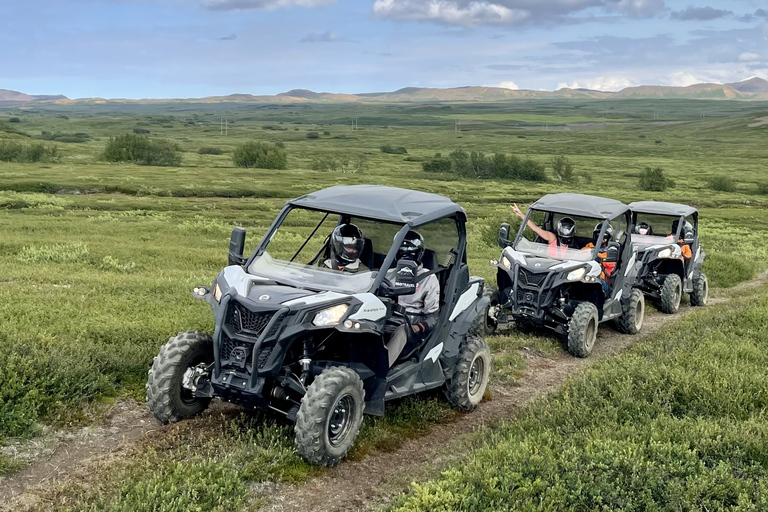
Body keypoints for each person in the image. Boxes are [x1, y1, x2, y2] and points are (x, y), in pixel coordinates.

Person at [384, 231, 440, 367]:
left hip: (410, 325)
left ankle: (382, 370)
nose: (407, 258)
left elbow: (433, 317)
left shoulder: (428, 279)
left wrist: (418, 327)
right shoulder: (388, 274)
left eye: (411, 254)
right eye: (403, 254)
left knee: (402, 331)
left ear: (420, 254)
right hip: (386, 318)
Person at [510, 203, 578, 257]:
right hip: (545, 264)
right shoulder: (552, 238)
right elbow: (535, 229)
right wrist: (521, 214)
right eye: (563, 237)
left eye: (568, 238)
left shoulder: (574, 247)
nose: (565, 240)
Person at [582, 223, 616, 294]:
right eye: (598, 236)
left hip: (602, 280)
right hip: (585, 276)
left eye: (604, 238)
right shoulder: (589, 246)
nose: (601, 240)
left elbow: (611, 264)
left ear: (609, 238)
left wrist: (599, 258)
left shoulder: (611, 251)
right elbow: (580, 254)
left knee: (596, 284)